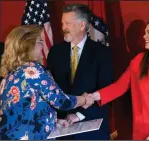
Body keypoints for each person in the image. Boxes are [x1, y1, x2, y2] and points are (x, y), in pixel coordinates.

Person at [0, 25, 94, 140]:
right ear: (29, 45)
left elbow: (28, 111)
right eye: (40, 41)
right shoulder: (32, 70)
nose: (42, 45)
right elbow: (61, 101)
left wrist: (54, 121)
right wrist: (84, 99)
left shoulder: (8, 78)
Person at [47, 3, 113, 140]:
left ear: (82, 25)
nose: (63, 27)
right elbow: (50, 89)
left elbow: (107, 92)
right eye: (62, 23)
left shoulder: (101, 53)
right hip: (61, 130)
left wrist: (79, 115)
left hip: (91, 131)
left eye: (67, 23)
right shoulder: (55, 52)